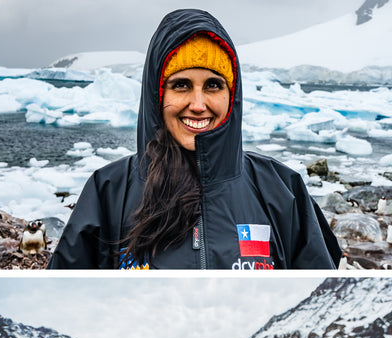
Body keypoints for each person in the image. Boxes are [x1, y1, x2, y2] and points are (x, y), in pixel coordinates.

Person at [47, 9, 341, 270]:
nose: (198, 103)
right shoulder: (108, 192)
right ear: (157, 96)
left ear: (232, 95)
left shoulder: (281, 189)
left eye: (213, 85)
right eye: (181, 85)